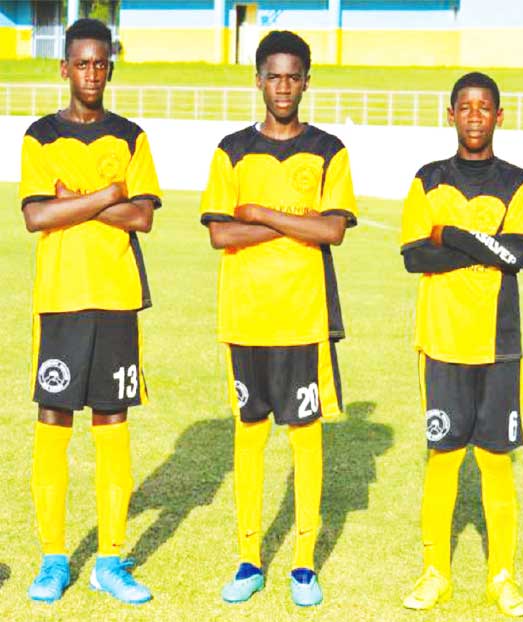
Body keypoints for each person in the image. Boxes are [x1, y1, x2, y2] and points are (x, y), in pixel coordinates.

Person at [199, 30, 356, 608]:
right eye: (274, 75)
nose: (283, 86)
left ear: (307, 82)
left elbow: (332, 229)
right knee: (250, 436)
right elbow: (220, 233)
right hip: (245, 317)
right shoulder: (231, 149)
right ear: (258, 79)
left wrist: (262, 212)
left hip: (303, 317)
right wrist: (297, 221)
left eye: (294, 76)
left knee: (305, 438)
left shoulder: (328, 150)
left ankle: (304, 564)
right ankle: (248, 558)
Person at [18, 17, 160, 605]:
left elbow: (143, 217)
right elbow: (35, 217)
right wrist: (108, 197)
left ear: (110, 66)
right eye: (82, 63)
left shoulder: (131, 136)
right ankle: (54, 557)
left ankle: (110, 559)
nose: (92, 73)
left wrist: (76, 201)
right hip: (60, 301)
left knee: (111, 423)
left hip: (116, 300)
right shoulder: (39, 134)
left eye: (101, 63)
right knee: (55, 421)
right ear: (65, 68)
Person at [399, 71, 523, 617]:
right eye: (466, 106)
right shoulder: (428, 178)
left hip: (500, 344)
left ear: (499, 117)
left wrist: (450, 235)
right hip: (442, 341)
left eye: (485, 107)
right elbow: (415, 256)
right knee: (444, 455)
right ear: (451, 113)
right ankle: (436, 572)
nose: (475, 115)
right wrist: (486, 248)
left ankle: (502, 577)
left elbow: (519, 254)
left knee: (497, 461)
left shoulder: (518, 182)